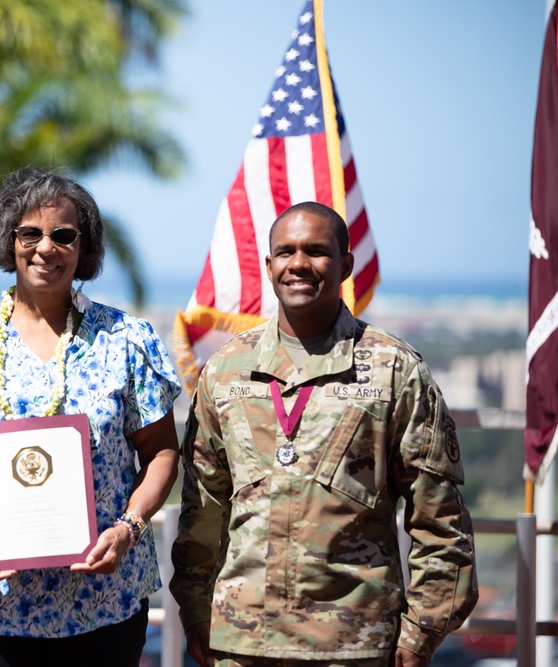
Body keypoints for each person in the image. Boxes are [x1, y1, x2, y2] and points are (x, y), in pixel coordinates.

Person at [170, 201, 478, 667]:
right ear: (269, 265)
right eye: (286, 252)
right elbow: (203, 507)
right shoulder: (226, 370)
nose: (299, 264)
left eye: (316, 251)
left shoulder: (394, 370)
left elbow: (440, 521)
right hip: (240, 643)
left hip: (356, 644)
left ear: (346, 264)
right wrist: (195, 610)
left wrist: (421, 633)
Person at [0, 167, 182, 667]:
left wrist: (129, 527)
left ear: (84, 248)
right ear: (7, 240)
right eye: (29, 233)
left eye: (63, 235)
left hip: (103, 610)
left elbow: (163, 451)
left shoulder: (126, 340)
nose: (45, 247)